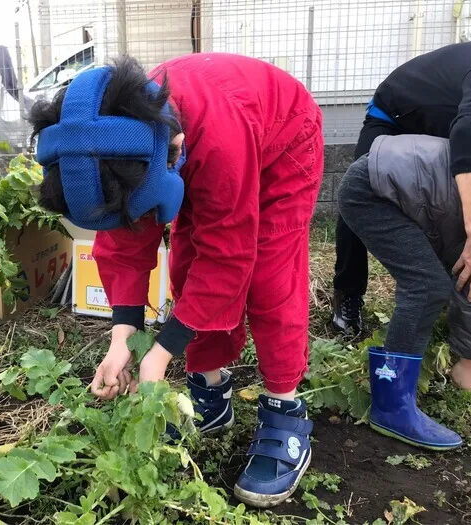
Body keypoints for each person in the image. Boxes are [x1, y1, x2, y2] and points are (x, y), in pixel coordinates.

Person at [29, 53, 323, 507]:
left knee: (268, 269)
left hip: (281, 135)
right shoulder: (111, 135)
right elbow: (124, 242)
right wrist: (123, 337)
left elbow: (227, 256)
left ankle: (285, 410)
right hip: (199, 140)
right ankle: (211, 391)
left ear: (177, 148)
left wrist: (162, 353)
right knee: (186, 260)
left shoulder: (217, 140)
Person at [338, 132, 471, 450]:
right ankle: (392, 408)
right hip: (372, 191)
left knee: (437, 280)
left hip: (392, 179)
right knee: (427, 286)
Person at [331, 41, 471, 336]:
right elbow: (469, 133)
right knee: (360, 194)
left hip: (443, 127)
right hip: (395, 116)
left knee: (450, 202)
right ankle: (347, 292)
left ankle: (448, 289)